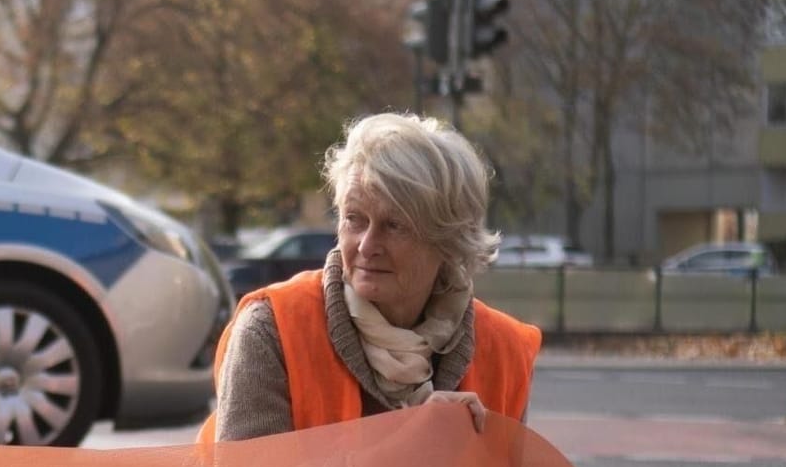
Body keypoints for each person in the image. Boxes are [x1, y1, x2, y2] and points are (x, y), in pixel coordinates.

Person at [210, 113, 540, 441]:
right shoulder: (273, 329)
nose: (367, 246)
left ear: (448, 240)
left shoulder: (503, 349)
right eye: (354, 219)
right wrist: (405, 442)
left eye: (394, 225)